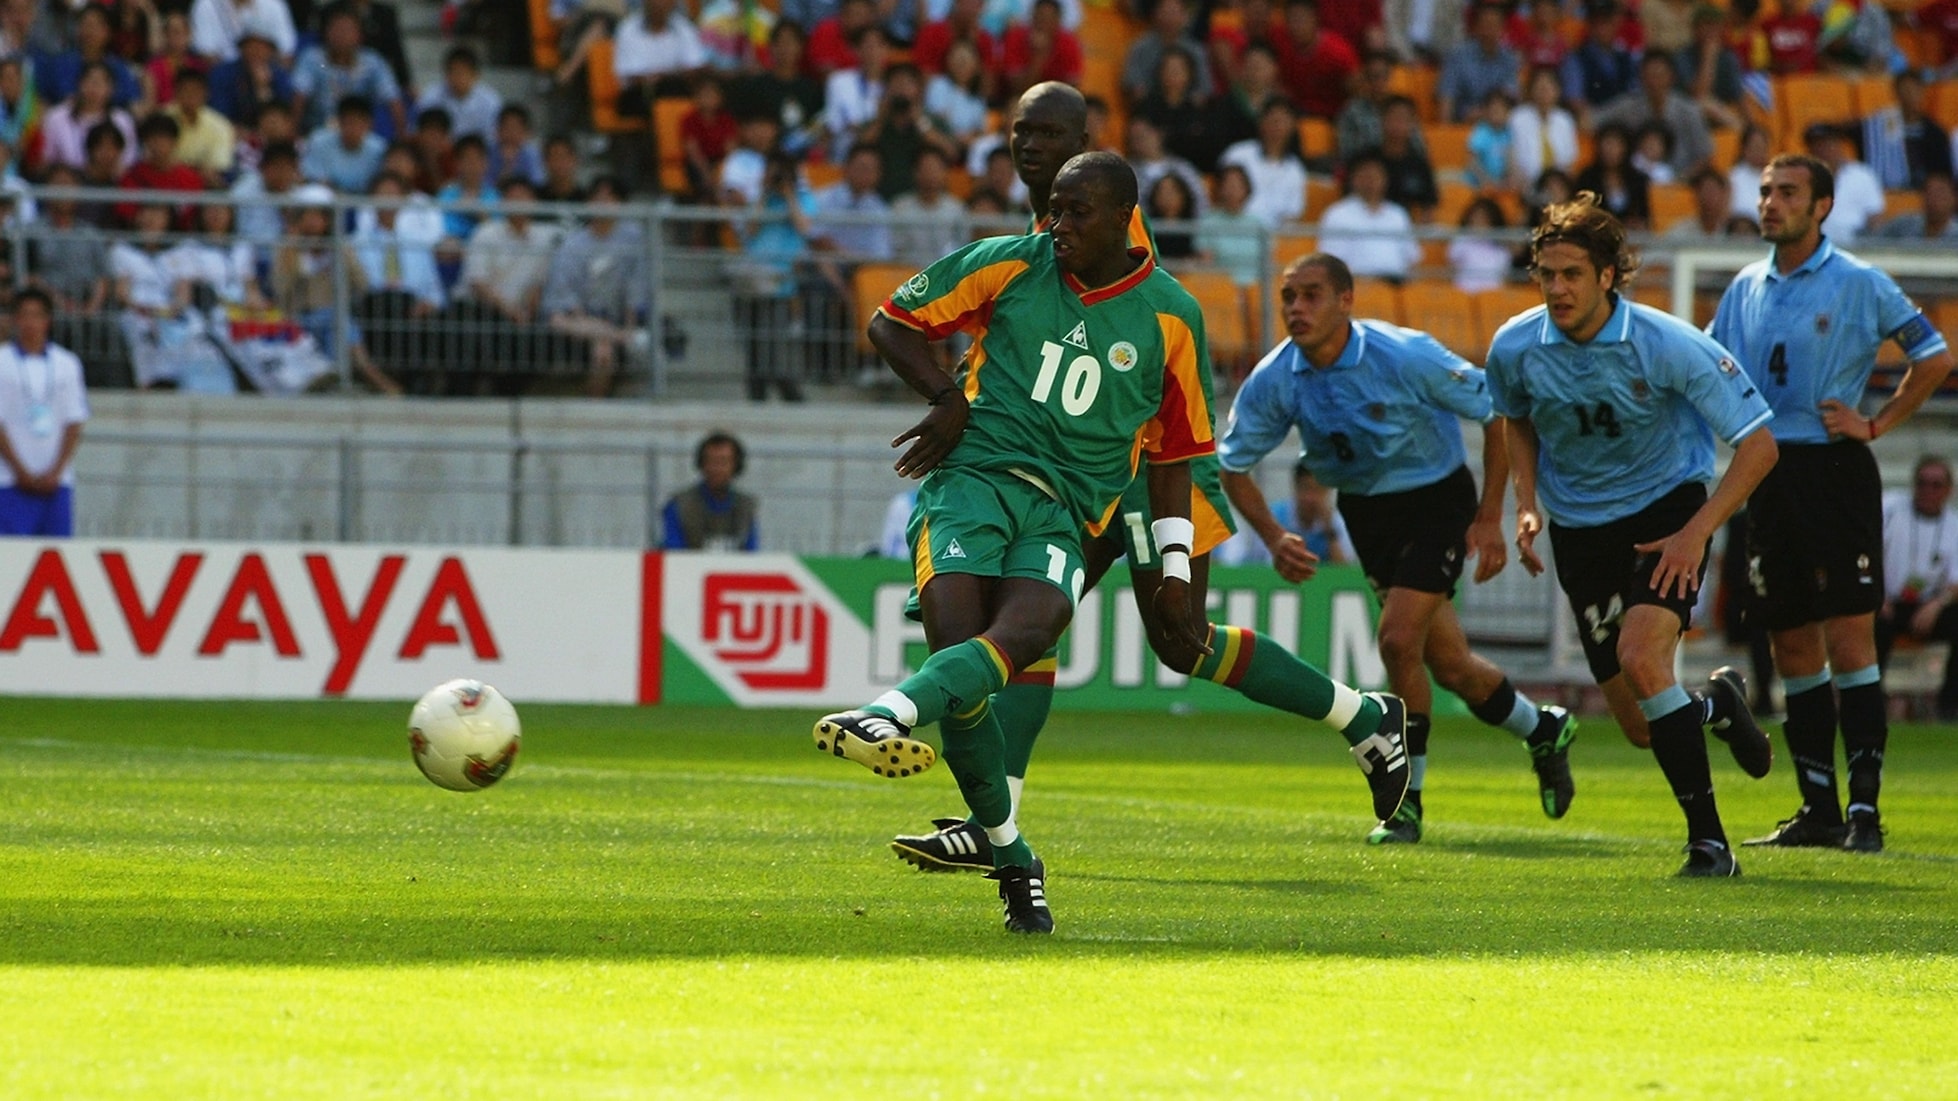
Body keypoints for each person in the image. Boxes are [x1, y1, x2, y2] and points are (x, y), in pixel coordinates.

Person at [885, 85, 1410, 876]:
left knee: (1174, 633)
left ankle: (1365, 715)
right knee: (1029, 618)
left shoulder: (1100, 220)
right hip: (1081, 459)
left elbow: (1129, 344)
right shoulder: (1055, 224)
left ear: (1084, 138)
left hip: (1140, 455)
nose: (1031, 143)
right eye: (1021, 130)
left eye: (1050, 131)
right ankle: (993, 822)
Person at [814, 151, 1228, 935]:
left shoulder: (1172, 315)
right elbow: (890, 319)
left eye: (1076, 213)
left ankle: (887, 712)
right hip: (969, 481)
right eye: (1055, 209)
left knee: (1028, 632)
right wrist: (944, 396)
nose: (1057, 224)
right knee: (962, 655)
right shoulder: (1010, 262)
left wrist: (1175, 565)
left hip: (1062, 512)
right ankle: (1011, 853)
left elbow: (1177, 452)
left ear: (1121, 219)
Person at [1222, 251, 1576, 842]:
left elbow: (1495, 413)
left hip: (1436, 500)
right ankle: (1541, 728)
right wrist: (1273, 535)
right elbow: (1232, 465)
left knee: (1396, 639)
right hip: (1365, 510)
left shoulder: (1403, 353)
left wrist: (1490, 517)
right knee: (1451, 666)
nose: (1296, 308)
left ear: (1345, 300)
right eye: (1288, 297)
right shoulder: (1276, 377)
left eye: (1311, 294)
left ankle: (1404, 803)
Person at [1486, 192, 1778, 878]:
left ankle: (1710, 844)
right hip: (1582, 530)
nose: (1557, 288)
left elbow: (1760, 445)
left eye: (1572, 275)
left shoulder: (1668, 344)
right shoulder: (1516, 345)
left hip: (1664, 513)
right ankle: (1718, 704)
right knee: (1643, 722)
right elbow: (1513, 418)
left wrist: (1696, 533)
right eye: (1546, 274)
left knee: (1645, 660)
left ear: (1608, 276)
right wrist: (1525, 504)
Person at [1709, 154, 1956, 854]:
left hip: (1835, 472)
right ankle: (1817, 808)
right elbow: (1712, 370)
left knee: (1851, 640)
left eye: (1787, 192)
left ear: (1821, 207)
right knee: (1790, 640)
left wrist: (1874, 423)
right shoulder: (1744, 287)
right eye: (1764, 192)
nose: (1770, 203)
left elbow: (1933, 357)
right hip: (1768, 474)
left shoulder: (1858, 281)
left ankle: (1866, 811)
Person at [541, 175, 646, 398]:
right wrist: (586, 319)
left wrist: (629, 321)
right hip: (576, 319)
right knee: (558, 320)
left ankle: (595, 399)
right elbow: (563, 291)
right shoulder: (573, 243)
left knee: (603, 351)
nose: (603, 203)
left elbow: (636, 286)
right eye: (598, 197)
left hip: (614, 316)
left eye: (611, 198)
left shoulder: (633, 239)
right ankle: (615, 336)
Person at [0, 290, 87, 536]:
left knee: (55, 559)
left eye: (37, 315)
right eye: (24, 315)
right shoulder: (2, 362)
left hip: (57, 483)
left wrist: (56, 471)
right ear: (15, 320)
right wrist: (20, 471)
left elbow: (74, 421)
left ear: (47, 321)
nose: (30, 323)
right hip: (8, 480)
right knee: (10, 560)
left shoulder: (67, 363)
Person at [1877, 456, 1958, 720]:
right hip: (1886, 601)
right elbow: (1864, 549)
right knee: (1871, 624)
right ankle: (1869, 702)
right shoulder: (1890, 508)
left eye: (1936, 485)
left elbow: (1955, 581)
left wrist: (1936, 604)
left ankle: (1950, 704)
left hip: (1928, 604)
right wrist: (1877, 596)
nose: (1928, 491)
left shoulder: (1954, 525)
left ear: (1948, 490)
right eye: (1922, 484)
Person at [292, 2, 404, 135]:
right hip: (316, 132)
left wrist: (401, 136)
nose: (342, 35)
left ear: (359, 35)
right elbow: (299, 97)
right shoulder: (311, 59)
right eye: (337, 29)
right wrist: (293, 133)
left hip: (359, 135)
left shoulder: (373, 62)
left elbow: (393, 99)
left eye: (348, 30)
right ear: (326, 32)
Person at [1318, 153, 1419, 282]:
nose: (1371, 181)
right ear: (1353, 179)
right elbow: (1332, 263)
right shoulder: (1337, 214)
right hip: (1357, 285)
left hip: (1396, 285)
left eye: (1376, 176)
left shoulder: (1397, 214)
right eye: (1365, 176)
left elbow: (1411, 257)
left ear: (1385, 179)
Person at [662, 431, 758, 550]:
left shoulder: (746, 507)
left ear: (736, 466)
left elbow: (753, 555)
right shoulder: (679, 506)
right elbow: (674, 555)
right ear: (702, 464)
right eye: (712, 461)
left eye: (723, 462)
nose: (717, 469)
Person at [1439, 1, 1519, 123]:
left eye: (1494, 25)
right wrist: (1445, 133)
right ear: (1477, 27)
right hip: (1462, 123)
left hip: (1496, 123)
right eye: (1486, 25)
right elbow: (1447, 97)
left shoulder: (1509, 59)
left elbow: (1510, 97)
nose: (1490, 30)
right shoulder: (1458, 56)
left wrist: (1485, 113)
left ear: (1502, 28)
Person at [1876, 170, 1958, 242]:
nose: (1933, 198)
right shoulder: (1903, 225)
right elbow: (1872, 242)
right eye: (1929, 193)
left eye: (1940, 193)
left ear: (1954, 198)